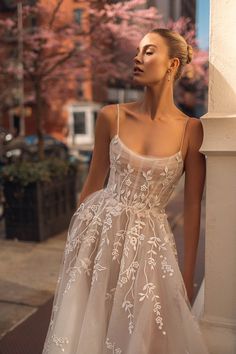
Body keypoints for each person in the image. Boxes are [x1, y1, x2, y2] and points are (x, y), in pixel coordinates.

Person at [42, 28, 209, 353]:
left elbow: (192, 209)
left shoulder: (191, 130)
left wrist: (187, 277)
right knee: (89, 328)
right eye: (137, 50)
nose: (137, 57)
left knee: (142, 337)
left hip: (149, 248)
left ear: (172, 64)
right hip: (98, 240)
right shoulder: (110, 116)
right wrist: (76, 251)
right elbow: (90, 189)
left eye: (148, 51)